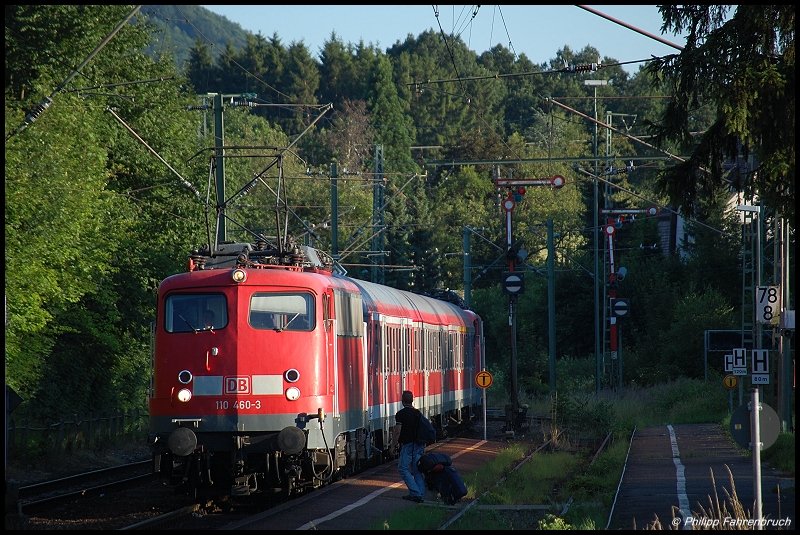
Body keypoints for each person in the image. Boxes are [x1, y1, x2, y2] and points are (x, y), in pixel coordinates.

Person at [391, 390, 427, 503]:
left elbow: (397, 431)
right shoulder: (418, 413)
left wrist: (393, 445)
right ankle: (420, 493)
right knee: (416, 470)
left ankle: (415, 493)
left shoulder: (400, 414)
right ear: (412, 400)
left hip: (408, 446)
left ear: (402, 401)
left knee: (403, 468)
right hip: (419, 445)